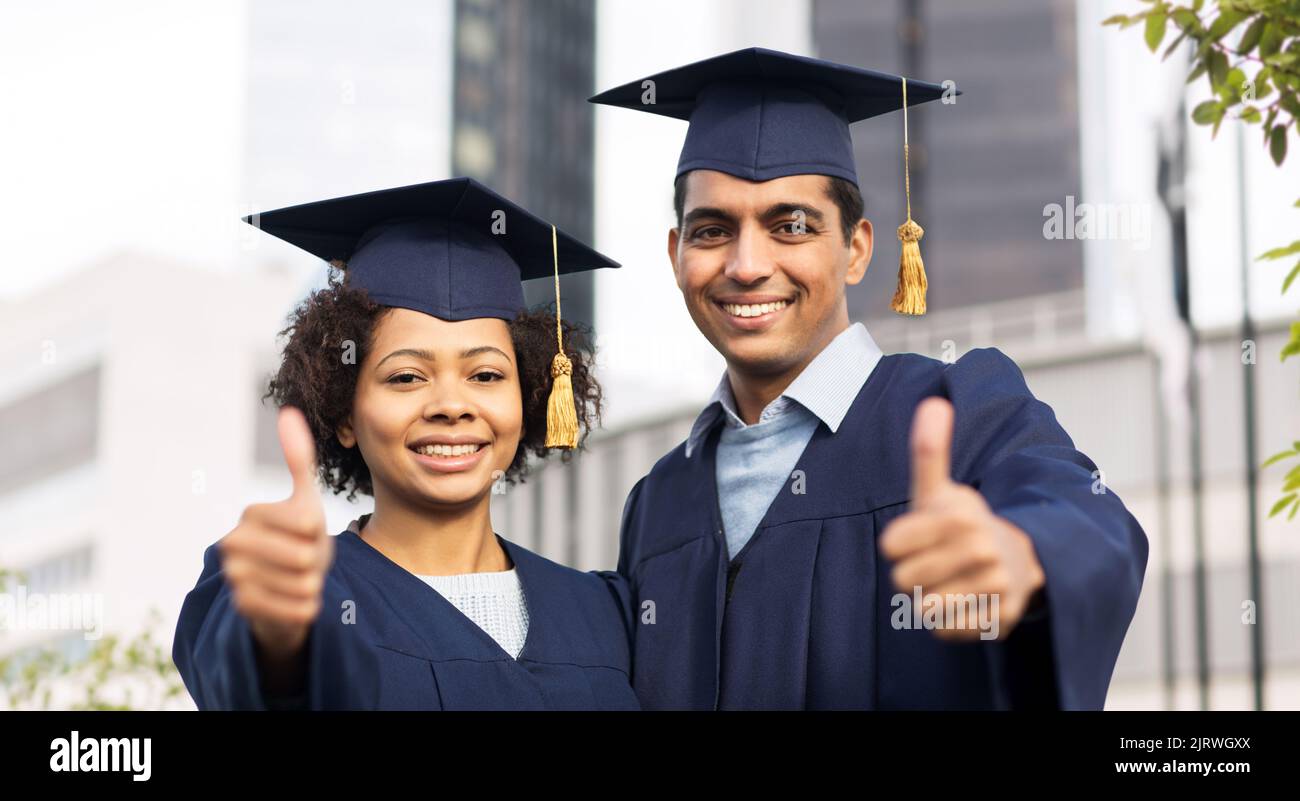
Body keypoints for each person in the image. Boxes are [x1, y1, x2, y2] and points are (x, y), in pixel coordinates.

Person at [590, 47, 1149, 709]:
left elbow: (1087, 514)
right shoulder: (657, 500)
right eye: (713, 230)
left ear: (856, 249)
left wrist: (1023, 552)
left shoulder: (956, 409)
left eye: (790, 225)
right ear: (676, 253)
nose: (746, 264)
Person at [172, 177, 640, 710]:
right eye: (406, 377)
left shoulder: (602, 611)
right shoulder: (296, 589)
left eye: (485, 375)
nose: (451, 404)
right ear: (343, 412)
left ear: (531, 396)